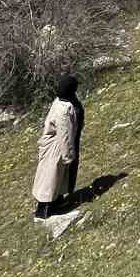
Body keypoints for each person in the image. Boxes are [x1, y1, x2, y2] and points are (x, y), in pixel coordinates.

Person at [32, 75, 82, 220]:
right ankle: (45, 210)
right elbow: (64, 134)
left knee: (56, 176)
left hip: (54, 145)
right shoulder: (64, 109)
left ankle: (57, 202)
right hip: (56, 147)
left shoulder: (59, 102)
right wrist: (69, 155)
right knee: (50, 178)